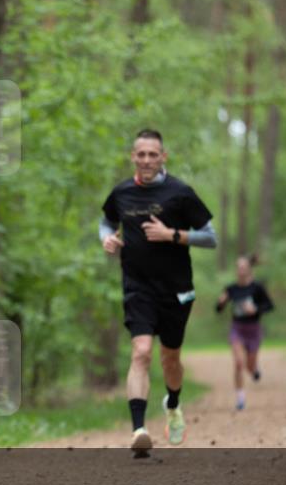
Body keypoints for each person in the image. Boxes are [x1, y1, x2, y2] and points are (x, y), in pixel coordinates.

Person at [100, 129, 216, 457]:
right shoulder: (121, 192)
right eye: (141, 154)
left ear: (163, 157)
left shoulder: (181, 193)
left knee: (170, 358)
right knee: (141, 352)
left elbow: (211, 237)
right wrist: (106, 238)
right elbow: (106, 222)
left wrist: (172, 235)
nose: (147, 160)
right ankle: (139, 430)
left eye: (153, 154)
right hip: (137, 287)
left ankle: (173, 405)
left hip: (177, 290)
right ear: (133, 157)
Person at [216, 255, 275, 410]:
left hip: (254, 330)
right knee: (238, 363)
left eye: (244, 267)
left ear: (249, 269)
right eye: (238, 267)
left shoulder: (257, 287)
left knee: (249, 365)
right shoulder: (231, 289)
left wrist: (255, 309)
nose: (241, 270)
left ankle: (254, 370)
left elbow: (270, 306)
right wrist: (221, 302)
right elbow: (218, 309)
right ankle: (240, 397)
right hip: (237, 329)